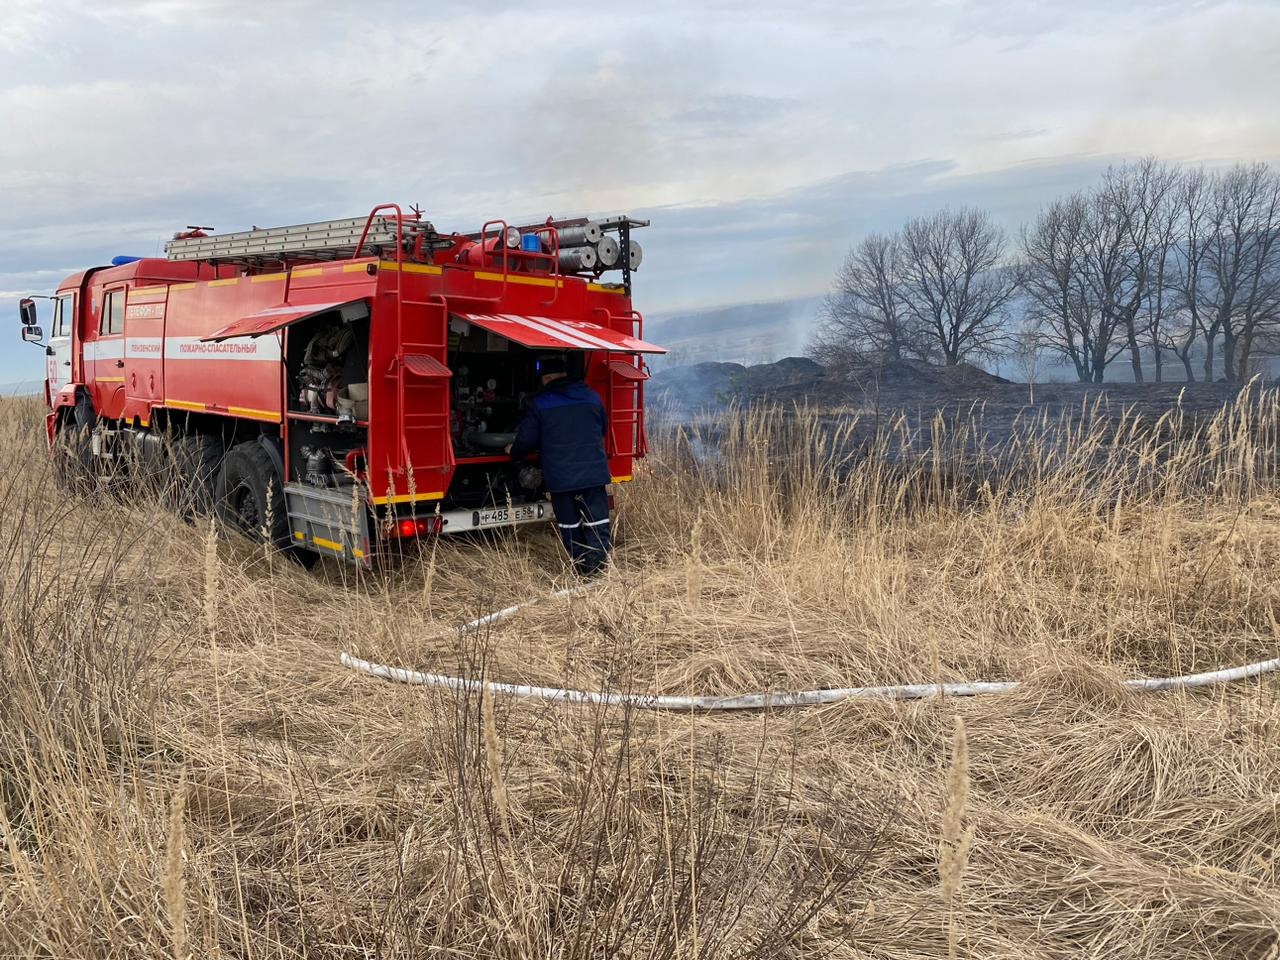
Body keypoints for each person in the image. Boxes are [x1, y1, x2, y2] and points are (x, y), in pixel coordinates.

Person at [506, 356, 612, 576]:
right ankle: (598, 573)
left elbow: (526, 440)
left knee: (570, 526)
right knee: (598, 523)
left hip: (562, 477)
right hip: (594, 474)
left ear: (546, 378)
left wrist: (513, 451)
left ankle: (582, 571)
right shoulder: (592, 397)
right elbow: (602, 428)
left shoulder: (541, 402)